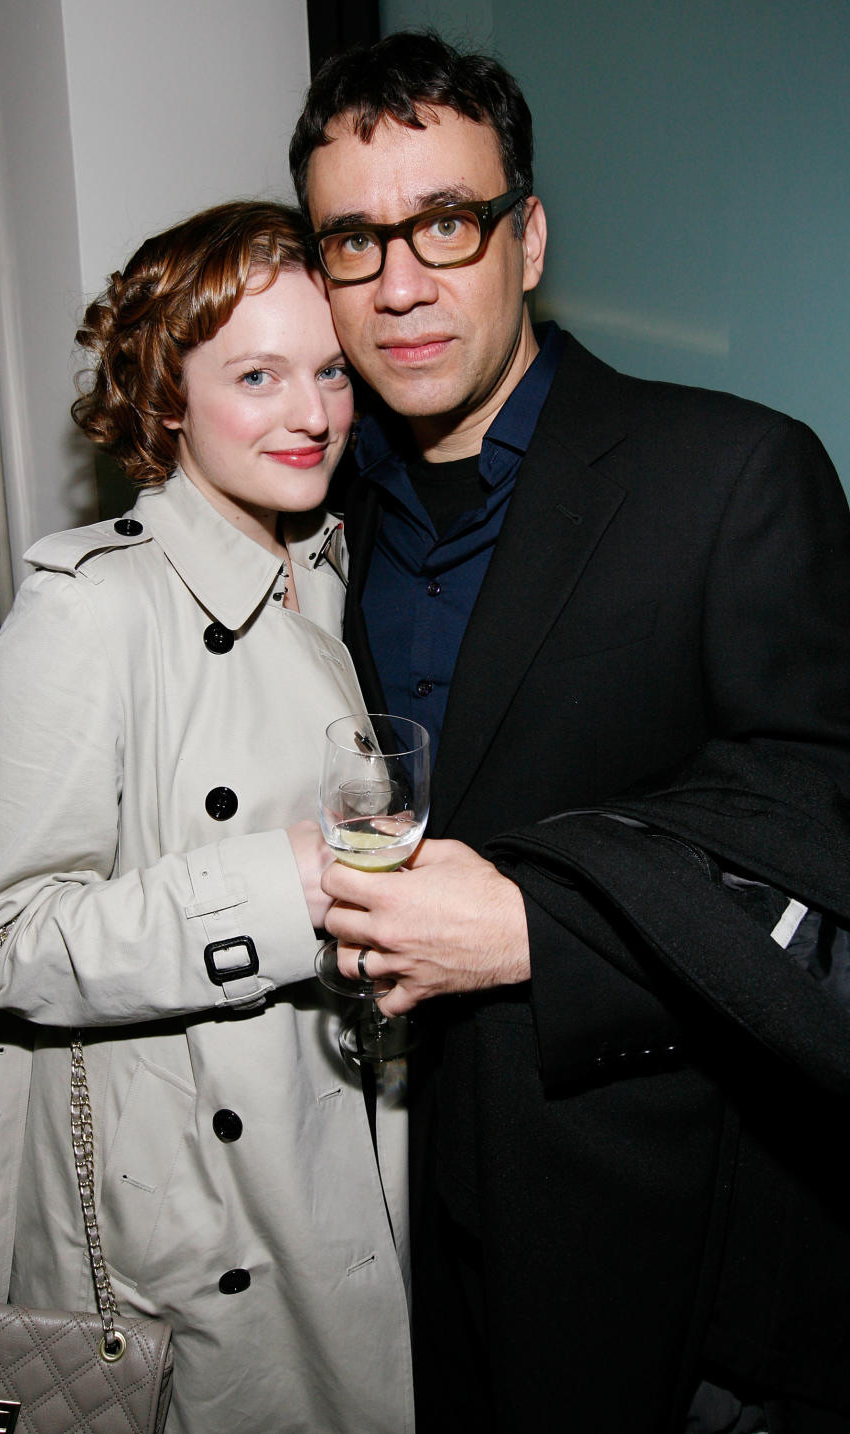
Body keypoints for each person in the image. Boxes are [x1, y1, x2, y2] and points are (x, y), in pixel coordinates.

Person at [289, 31, 850, 1434]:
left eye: (446, 222)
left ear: (526, 238)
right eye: (354, 241)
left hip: (671, 1286)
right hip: (392, 1253)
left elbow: (824, 832)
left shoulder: (730, 473)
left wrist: (542, 930)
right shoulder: (310, 520)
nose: (401, 282)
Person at [0, 201, 414, 1434]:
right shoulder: (90, 611)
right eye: (256, 375)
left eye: (328, 371)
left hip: (345, 1154)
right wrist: (279, 891)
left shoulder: (337, 569)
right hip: (196, 1220)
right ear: (164, 398)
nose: (311, 414)